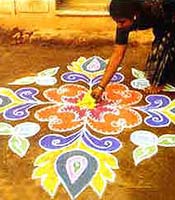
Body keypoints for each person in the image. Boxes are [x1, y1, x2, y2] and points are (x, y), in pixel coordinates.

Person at [91, 0, 175, 101]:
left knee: (166, 43)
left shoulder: (158, 9)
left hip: (170, 16)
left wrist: (158, 82)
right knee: (155, 68)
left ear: (135, 15)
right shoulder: (124, 23)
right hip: (162, 22)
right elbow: (117, 54)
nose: (119, 26)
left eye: (122, 22)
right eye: (116, 22)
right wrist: (101, 87)